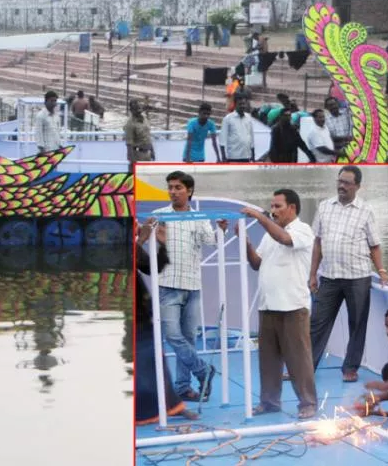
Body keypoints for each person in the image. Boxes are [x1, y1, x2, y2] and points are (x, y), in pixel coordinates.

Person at [138, 171, 228, 402]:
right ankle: (203, 371)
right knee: (173, 335)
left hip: (193, 286)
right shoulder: (157, 216)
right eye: (170, 187)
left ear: (189, 191)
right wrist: (144, 234)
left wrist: (222, 230)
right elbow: (139, 246)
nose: (173, 191)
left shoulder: (198, 217)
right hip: (168, 285)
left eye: (178, 187)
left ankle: (183, 388)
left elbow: (211, 242)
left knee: (187, 340)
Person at [309, 166, 388, 383]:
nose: (342, 186)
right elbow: (317, 243)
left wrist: (382, 272)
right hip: (329, 276)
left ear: (357, 186)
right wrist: (312, 275)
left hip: (357, 277)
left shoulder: (365, 211)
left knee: (357, 324)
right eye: (340, 181)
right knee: (317, 323)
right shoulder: (324, 207)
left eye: (347, 183)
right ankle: (305, 367)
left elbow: (374, 245)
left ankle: (350, 368)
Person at [239, 190, 317, 419]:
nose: (272, 211)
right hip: (268, 305)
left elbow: (285, 239)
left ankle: (308, 403)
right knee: (268, 360)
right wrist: (245, 242)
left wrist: (260, 217)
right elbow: (255, 263)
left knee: (298, 360)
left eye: (277, 206)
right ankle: (269, 401)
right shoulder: (268, 234)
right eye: (271, 206)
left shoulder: (302, 230)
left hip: (293, 306)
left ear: (292, 208)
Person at [135, 220, 200, 424]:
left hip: (141, 310)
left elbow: (152, 267)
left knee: (155, 359)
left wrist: (163, 245)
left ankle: (171, 407)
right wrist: (141, 239)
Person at [220, 92, 255, 162]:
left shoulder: (249, 117)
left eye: (244, 104)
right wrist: (223, 158)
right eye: (240, 104)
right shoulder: (228, 118)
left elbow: (251, 137)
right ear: (235, 104)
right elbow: (222, 140)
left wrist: (253, 155)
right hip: (233, 157)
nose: (242, 106)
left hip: (247, 156)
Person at [124, 98, 155, 167]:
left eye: (139, 109)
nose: (138, 111)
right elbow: (129, 144)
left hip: (148, 153)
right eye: (136, 109)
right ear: (132, 110)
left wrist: (152, 151)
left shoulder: (144, 118)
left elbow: (148, 136)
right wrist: (132, 161)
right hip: (137, 155)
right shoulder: (130, 123)